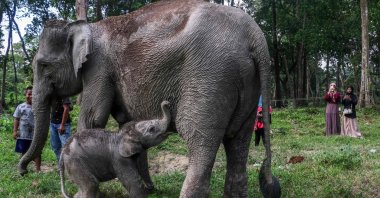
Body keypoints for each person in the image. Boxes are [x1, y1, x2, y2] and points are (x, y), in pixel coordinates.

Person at [13, 86, 41, 172]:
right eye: (29, 94)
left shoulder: (38, 107)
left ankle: (38, 169)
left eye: (33, 94)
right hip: (23, 134)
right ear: (25, 94)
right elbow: (16, 119)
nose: (31, 96)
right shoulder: (20, 106)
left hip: (35, 134)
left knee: (37, 152)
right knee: (23, 151)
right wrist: (14, 131)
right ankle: (22, 167)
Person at [50, 97, 72, 165]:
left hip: (62, 124)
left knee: (66, 146)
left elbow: (66, 108)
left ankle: (68, 165)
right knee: (55, 146)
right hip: (53, 123)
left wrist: (62, 125)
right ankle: (61, 165)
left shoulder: (64, 95)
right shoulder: (52, 95)